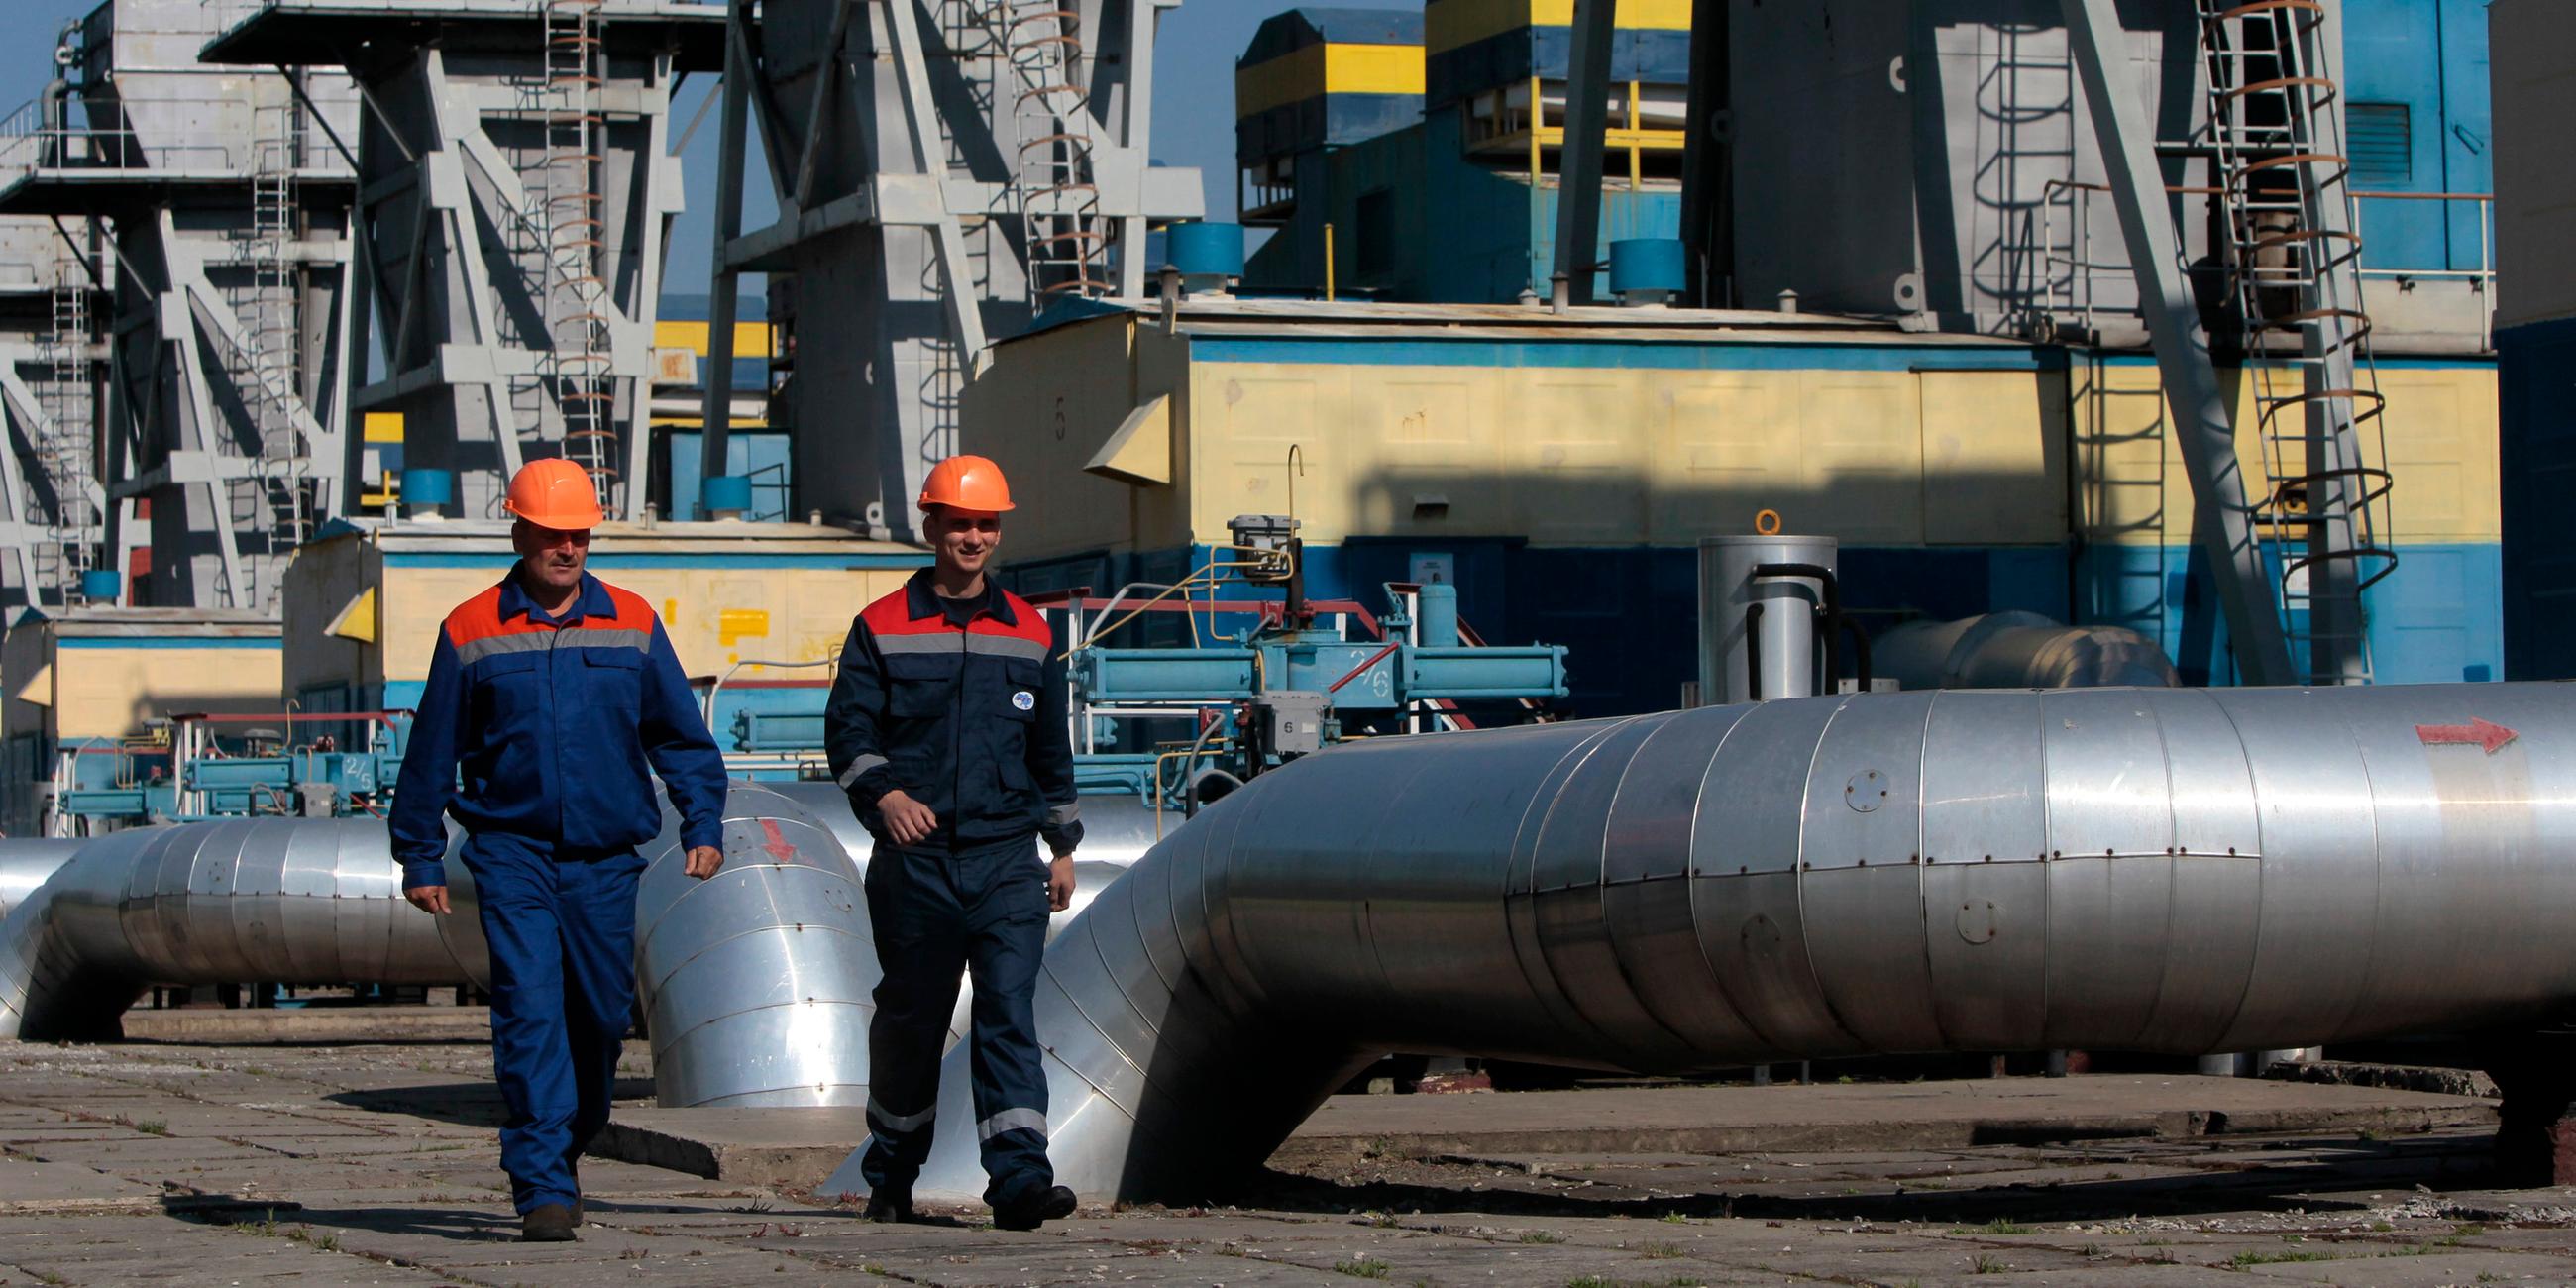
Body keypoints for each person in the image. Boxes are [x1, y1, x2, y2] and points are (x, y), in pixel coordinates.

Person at [391, 459, 728, 1243]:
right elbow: (432, 749)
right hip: (512, 854)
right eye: (550, 535)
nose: (566, 549)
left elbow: (679, 736)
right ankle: (541, 1179)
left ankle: (569, 1138)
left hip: (607, 860)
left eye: (577, 535)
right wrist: (417, 852)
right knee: (530, 1009)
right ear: (519, 533)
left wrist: (703, 824)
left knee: (602, 1018)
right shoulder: (471, 629)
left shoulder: (634, 622)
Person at [824, 454, 1084, 1231]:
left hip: (1007, 860)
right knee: (912, 1019)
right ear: (931, 524)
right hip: (917, 864)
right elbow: (848, 731)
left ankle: (1019, 1183)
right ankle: (893, 1172)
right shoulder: (881, 627)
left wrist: (1062, 844)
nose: (973, 536)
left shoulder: (1031, 633)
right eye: (960, 522)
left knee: (1008, 1011)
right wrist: (886, 794)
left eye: (987, 523)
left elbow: (1050, 752)